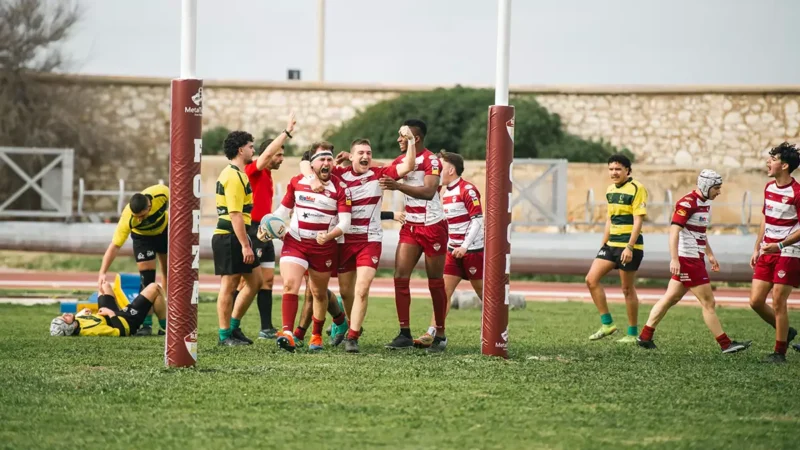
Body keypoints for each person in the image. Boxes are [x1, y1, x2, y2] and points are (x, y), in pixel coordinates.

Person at [302, 132, 417, 353]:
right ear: (351, 157)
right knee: (346, 292)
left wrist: (411, 141)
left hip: (369, 240)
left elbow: (408, 165)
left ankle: (352, 337)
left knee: (362, 289)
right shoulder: (338, 174)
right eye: (361, 153)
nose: (365, 156)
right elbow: (305, 163)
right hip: (344, 240)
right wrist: (313, 179)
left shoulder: (379, 174)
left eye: (368, 153)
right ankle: (351, 325)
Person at [636, 170, 751, 353]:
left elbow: (700, 233)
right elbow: (673, 232)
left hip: (694, 258)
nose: (719, 192)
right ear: (706, 186)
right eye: (716, 188)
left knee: (670, 298)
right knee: (708, 302)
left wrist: (709, 254)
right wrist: (675, 259)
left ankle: (645, 336)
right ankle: (725, 344)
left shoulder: (705, 203)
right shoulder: (687, 203)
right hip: (688, 260)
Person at [271, 142, 352, 353]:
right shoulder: (297, 181)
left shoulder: (341, 188)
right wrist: (267, 225)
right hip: (295, 241)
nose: (326, 163)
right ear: (312, 164)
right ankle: (287, 333)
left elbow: (345, 223)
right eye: (322, 159)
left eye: (329, 159)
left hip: (323, 247)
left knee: (318, 292)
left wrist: (330, 236)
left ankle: (316, 335)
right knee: (290, 284)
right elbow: (282, 212)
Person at [378, 119, 450, 353]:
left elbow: (429, 192)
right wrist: (354, 160)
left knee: (435, 281)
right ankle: (404, 333)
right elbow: (382, 172)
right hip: (411, 226)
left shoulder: (431, 161)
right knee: (400, 276)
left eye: (403, 136)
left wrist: (398, 187)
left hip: (433, 226)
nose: (398, 139)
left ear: (415, 138)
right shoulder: (404, 161)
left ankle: (440, 334)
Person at [232, 113, 294, 340]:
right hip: (252, 230)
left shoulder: (268, 175)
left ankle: (266, 328)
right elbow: (266, 154)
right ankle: (230, 325)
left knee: (267, 280)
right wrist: (286, 133)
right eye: (279, 154)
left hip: (265, 231)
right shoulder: (253, 169)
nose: (281, 159)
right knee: (245, 282)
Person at [413, 151, 484, 348]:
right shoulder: (441, 191)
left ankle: (493, 332)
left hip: (473, 251)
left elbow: (478, 220)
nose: (436, 171)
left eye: (440, 167)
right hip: (452, 251)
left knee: (484, 294)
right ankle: (434, 335)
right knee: (443, 292)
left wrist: (465, 246)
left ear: (451, 170)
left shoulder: (467, 190)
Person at [584, 154, 647, 343]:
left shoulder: (637, 188)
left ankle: (632, 333)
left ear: (627, 170)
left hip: (629, 247)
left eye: (618, 169)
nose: (614, 172)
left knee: (627, 289)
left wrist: (629, 247)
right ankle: (607, 324)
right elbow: (610, 219)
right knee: (591, 280)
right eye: (611, 169)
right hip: (611, 245)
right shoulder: (610, 190)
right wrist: (603, 244)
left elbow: (638, 220)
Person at [749, 142, 800, 363]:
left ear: (785, 165)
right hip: (767, 250)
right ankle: (786, 331)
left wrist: (779, 245)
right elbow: (765, 218)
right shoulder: (769, 188)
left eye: (773, 159)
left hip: (789, 251)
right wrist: (756, 247)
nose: (768, 162)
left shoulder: (797, 193)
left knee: (778, 301)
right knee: (755, 301)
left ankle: (779, 352)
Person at [97, 183, 169, 336]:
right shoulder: (128, 218)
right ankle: (147, 325)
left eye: (142, 216)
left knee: (167, 271)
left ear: (149, 206)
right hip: (142, 238)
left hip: (164, 231)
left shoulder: (161, 193)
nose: (140, 219)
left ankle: (167, 324)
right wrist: (102, 272)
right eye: (137, 217)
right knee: (147, 281)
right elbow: (114, 246)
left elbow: (180, 203)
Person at [211, 131, 261, 346]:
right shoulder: (232, 176)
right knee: (229, 285)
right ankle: (224, 336)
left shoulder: (239, 174)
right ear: (241, 150)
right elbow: (235, 214)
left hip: (238, 235)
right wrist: (245, 245)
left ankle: (233, 327)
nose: (253, 150)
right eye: (251, 146)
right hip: (229, 236)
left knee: (256, 281)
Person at [50, 282, 166, 337]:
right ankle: (167, 326)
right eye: (64, 318)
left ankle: (144, 324)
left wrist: (84, 312)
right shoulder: (91, 331)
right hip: (126, 321)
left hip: (110, 315)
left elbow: (81, 318)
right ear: (69, 328)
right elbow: (121, 332)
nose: (65, 314)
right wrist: (111, 313)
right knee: (154, 287)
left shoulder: (76, 322)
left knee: (104, 286)